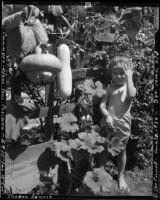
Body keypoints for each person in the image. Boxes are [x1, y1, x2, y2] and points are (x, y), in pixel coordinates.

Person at [99, 56, 136, 192]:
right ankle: (101, 176)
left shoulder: (129, 87)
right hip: (108, 123)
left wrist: (130, 76)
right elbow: (103, 105)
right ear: (111, 73)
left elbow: (131, 95)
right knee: (103, 150)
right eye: (115, 73)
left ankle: (120, 176)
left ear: (127, 74)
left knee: (121, 151)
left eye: (123, 73)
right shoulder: (109, 88)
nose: (119, 76)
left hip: (123, 124)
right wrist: (107, 116)